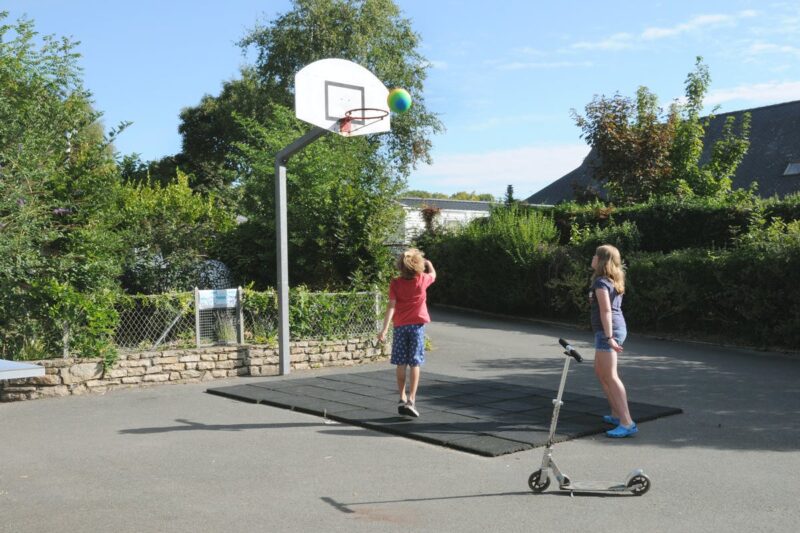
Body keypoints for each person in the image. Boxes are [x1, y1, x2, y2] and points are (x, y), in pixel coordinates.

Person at [377, 248, 436, 417]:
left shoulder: (395, 283)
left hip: (400, 327)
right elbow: (434, 274)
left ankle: (401, 397)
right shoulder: (422, 279)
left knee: (401, 363)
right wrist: (429, 264)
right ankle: (411, 400)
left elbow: (391, 306)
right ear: (418, 264)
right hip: (417, 327)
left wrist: (384, 329)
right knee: (415, 363)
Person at [589, 244, 637, 438]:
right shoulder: (611, 280)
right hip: (612, 330)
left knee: (610, 376)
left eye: (595, 255)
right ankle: (617, 414)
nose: (592, 258)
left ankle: (627, 422)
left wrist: (609, 337)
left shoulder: (601, 282)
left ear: (601, 260)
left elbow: (606, 311)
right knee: (600, 373)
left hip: (608, 332)